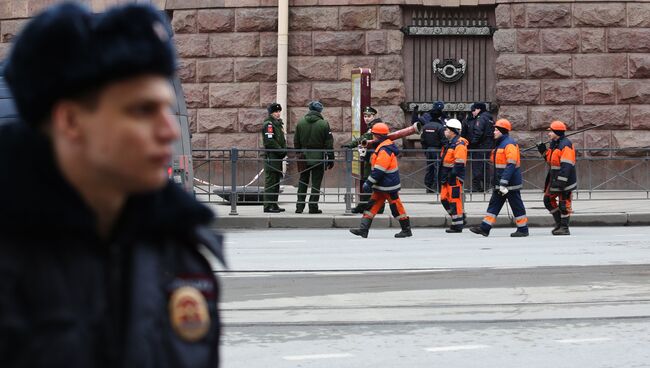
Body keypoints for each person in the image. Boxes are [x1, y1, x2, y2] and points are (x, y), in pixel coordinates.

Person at [0, 3, 224, 367]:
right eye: (142, 110)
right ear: (70, 121)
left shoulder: (179, 252)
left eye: (167, 109)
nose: (169, 131)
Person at [350, 123, 412, 238]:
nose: (372, 138)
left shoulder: (384, 149)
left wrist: (369, 182)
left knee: (396, 207)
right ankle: (363, 229)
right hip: (382, 185)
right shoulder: (382, 146)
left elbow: (379, 169)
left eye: (373, 135)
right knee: (371, 206)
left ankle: (406, 229)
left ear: (378, 136)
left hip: (388, 186)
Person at [470, 119, 529, 237]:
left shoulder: (509, 144)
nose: (494, 132)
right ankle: (485, 228)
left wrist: (504, 182)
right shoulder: (501, 143)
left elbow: (511, 165)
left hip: (509, 183)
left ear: (502, 131)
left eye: (496, 130)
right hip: (501, 182)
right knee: (494, 204)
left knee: (516, 205)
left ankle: (523, 229)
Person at [294, 100, 334, 214]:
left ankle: (299, 207)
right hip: (318, 157)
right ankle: (313, 207)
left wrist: (299, 154)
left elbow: (296, 141)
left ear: (309, 109)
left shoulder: (300, 122)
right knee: (316, 183)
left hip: (304, 156)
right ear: (320, 111)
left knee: (303, 181)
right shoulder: (324, 124)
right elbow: (329, 144)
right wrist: (331, 159)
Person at [341, 106, 384, 213]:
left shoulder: (377, 126)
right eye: (365, 116)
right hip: (371, 159)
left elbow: (364, 138)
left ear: (374, 116)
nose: (366, 118)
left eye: (369, 116)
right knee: (370, 183)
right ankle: (367, 206)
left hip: (374, 160)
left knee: (371, 184)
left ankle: (373, 207)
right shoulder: (373, 126)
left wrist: (350, 145)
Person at [537, 120, 576, 235]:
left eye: (551, 131)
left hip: (564, 181)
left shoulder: (566, 145)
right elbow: (550, 161)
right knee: (548, 200)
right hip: (554, 179)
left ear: (557, 132)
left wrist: (561, 182)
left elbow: (566, 166)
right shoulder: (555, 144)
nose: (548, 134)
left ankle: (564, 228)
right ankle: (559, 223)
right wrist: (543, 151)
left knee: (564, 204)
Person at [438, 118, 468, 233]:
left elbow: (459, 162)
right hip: (446, 176)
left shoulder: (459, 144)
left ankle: (457, 225)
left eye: (447, 129)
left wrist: (452, 175)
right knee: (444, 198)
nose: (445, 131)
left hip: (454, 177)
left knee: (455, 200)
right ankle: (460, 217)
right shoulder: (449, 143)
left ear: (453, 131)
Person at [262, 102, 287, 213]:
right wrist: (281, 150)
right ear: (271, 113)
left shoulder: (277, 124)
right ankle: (268, 205)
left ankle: (274, 203)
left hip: (277, 157)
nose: (278, 114)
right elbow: (269, 141)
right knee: (271, 181)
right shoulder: (269, 125)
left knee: (276, 182)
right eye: (275, 112)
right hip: (271, 157)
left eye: (278, 111)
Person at [464, 102, 494, 192]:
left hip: (479, 147)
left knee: (477, 167)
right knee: (485, 167)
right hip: (488, 146)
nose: (472, 112)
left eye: (474, 110)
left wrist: (472, 143)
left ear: (478, 109)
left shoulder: (481, 118)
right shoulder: (490, 118)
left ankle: (476, 187)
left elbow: (478, 132)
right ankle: (486, 186)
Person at [418, 101, 447, 193]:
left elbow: (422, 140)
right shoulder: (440, 127)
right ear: (439, 117)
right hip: (438, 150)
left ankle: (428, 187)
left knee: (429, 168)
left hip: (428, 150)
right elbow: (443, 140)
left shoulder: (426, 126)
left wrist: (425, 150)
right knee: (437, 169)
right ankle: (436, 187)